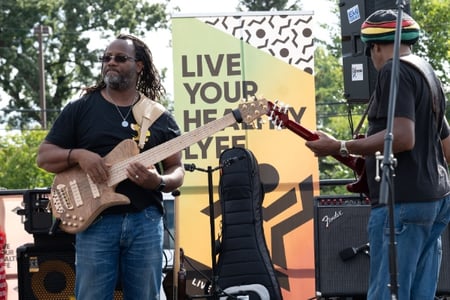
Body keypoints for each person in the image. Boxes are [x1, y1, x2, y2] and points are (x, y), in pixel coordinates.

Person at [305, 9, 450, 300]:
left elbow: (403, 137)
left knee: (387, 293)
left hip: (403, 203)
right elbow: (445, 143)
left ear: (375, 46)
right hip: (436, 201)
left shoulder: (393, 70)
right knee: (421, 294)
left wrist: (340, 146)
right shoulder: (426, 70)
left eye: (371, 49)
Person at [37, 33, 185, 300]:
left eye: (120, 58)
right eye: (106, 58)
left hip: (146, 221)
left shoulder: (159, 117)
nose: (110, 63)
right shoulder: (81, 108)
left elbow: (177, 170)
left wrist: (159, 182)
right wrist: (79, 155)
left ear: (139, 65)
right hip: (96, 222)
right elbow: (44, 157)